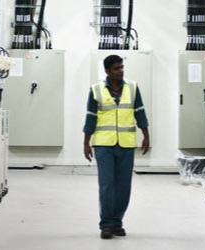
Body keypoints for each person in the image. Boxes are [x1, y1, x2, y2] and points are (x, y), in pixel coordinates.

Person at [83, 54, 150, 239]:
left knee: (123, 186)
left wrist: (146, 136)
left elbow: (140, 113)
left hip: (126, 144)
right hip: (103, 145)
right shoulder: (96, 90)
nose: (120, 71)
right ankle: (106, 225)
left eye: (122, 67)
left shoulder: (133, 87)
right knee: (106, 185)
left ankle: (116, 222)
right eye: (116, 68)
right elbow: (90, 117)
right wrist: (86, 144)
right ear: (107, 71)